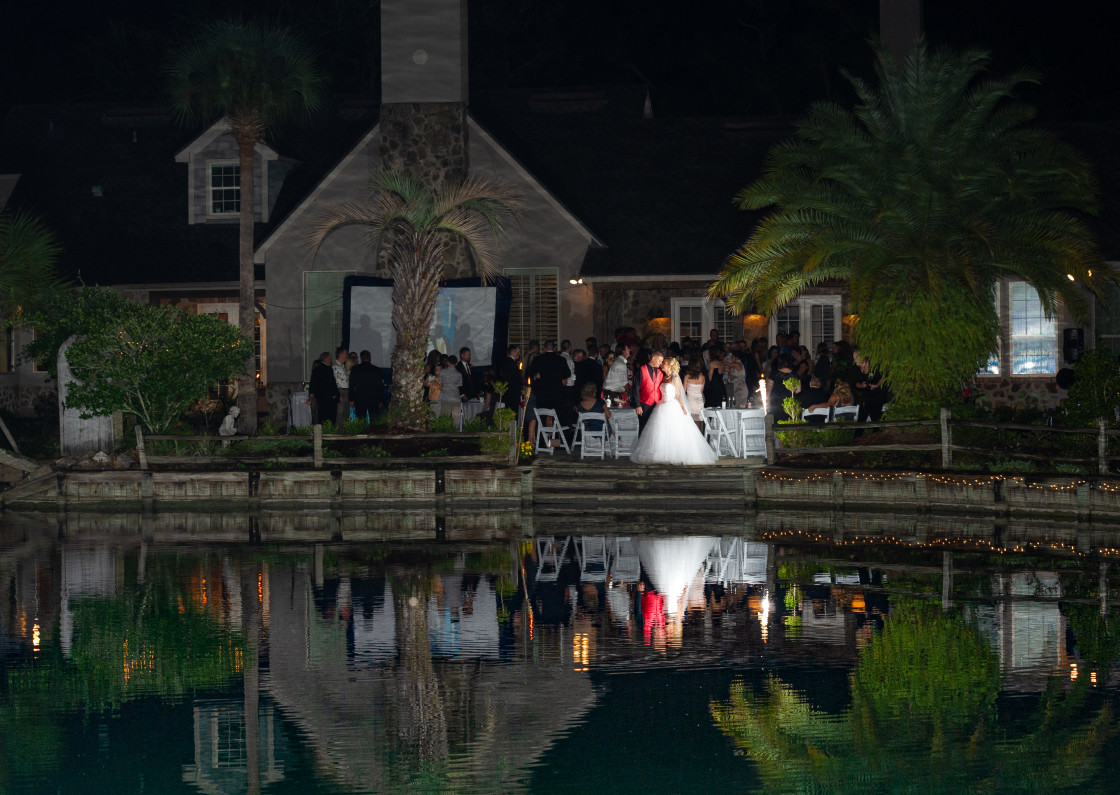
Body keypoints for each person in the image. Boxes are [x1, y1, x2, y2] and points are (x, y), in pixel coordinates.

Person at [631, 357, 717, 465]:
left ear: (669, 366)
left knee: (674, 431)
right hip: (661, 406)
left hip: (672, 406)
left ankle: (675, 454)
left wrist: (683, 407)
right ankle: (660, 454)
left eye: (664, 363)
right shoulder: (663, 376)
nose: (662, 364)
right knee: (660, 432)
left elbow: (679, 394)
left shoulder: (675, 377)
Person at [348, 349, 384, 423]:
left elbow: (351, 385)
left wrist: (351, 399)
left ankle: (362, 434)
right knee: (374, 421)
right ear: (369, 358)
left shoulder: (355, 369)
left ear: (361, 358)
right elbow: (380, 386)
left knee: (361, 421)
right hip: (373, 399)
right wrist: (381, 400)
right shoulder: (376, 370)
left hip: (359, 399)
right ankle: (374, 434)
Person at [634, 350, 664, 434]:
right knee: (643, 428)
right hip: (644, 404)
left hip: (657, 404)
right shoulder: (641, 370)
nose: (661, 363)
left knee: (655, 429)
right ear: (653, 359)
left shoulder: (661, 372)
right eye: (660, 361)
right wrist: (637, 405)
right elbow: (635, 388)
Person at [309, 352, 338, 426]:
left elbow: (312, 384)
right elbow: (332, 384)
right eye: (330, 358)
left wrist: (311, 396)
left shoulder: (316, 370)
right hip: (329, 399)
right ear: (327, 359)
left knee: (321, 417)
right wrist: (335, 395)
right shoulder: (328, 369)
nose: (331, 360)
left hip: (320, 398)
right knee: (330, 419)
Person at [498, 344, 523, 410]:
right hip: (512, 395)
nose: (519, 354)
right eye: (518, 352)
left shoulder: (508, 362)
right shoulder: (510, 364)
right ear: (512, 352)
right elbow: (512, 380)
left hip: (510, 395)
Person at [682, 360, 706, 426]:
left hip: (690, 402)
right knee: (698, 424)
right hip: (699, 402)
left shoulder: (687, 376)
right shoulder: (702, 377)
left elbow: (684, 390)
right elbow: (701, 390)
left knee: (690, 423)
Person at [332, 346, 350, 426]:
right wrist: (339, 394)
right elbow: (334, 383)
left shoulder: (343, 367)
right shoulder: (335, 367)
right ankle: (338, 435)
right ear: (341, 354)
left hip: (346, 392)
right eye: (346, 353)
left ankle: (343, 435)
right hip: (341, 392)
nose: (347, 355)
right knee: (340, 415)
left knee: (346, 416)